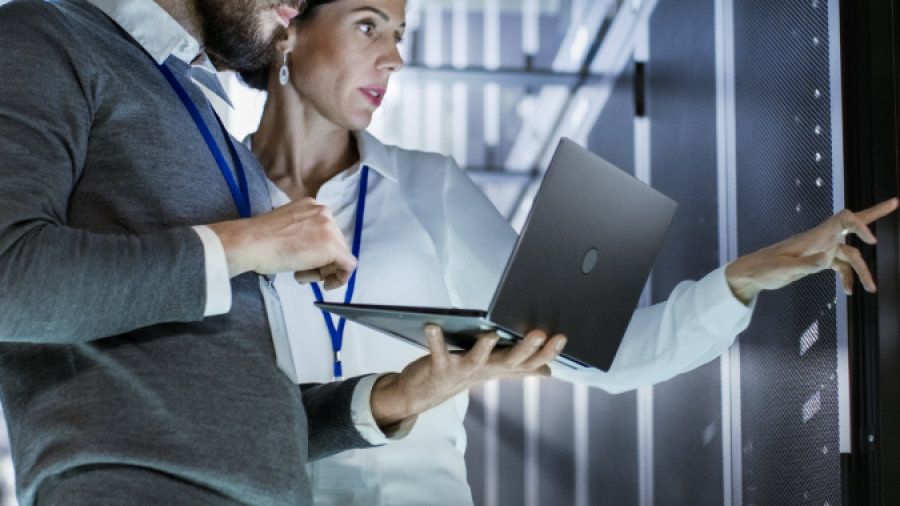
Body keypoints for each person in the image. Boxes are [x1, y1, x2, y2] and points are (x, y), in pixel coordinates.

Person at [236, 0, 899, 504]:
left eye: (400, 37)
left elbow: (595, 359)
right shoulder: (211, 202)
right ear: (289, 23)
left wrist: (742, 281)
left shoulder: (426, 187)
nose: (395, 59)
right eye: (368, 26)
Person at [0, 0, 568, 504]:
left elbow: (236, 415)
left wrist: (399, 394)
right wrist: (250, 241)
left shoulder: (207, 120)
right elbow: (9, 282)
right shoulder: (44, 34)